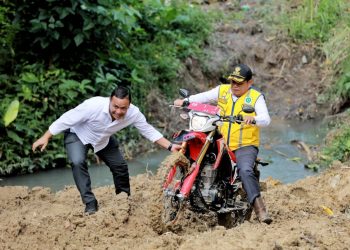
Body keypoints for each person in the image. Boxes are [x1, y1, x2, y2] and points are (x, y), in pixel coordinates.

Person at [32, 85, 181, 215]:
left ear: (129, 106)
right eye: (115, 106)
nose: (118, 111)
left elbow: (147, 130)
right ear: (110, 100)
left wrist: (170, 146)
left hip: (102, 140)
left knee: (120, 166)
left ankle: (123, 199)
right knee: (77, 162)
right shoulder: (93, 105)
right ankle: (90, 203)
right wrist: (46, 136)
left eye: (123, 108)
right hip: (78, 135)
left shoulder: (134, 113)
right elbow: (67, 119)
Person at [174, 63, 272, 224]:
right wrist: (185, 101)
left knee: (246, 170)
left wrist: (253, 119)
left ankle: (260, 210)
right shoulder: (222, 90)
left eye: (239, 83)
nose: (235, 86)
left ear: (250, 82)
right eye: (233, 81)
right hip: (222, 139)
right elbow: (203, 97)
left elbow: (266, 119)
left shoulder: (256, 97)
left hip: (244, 145)